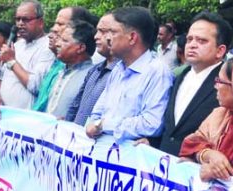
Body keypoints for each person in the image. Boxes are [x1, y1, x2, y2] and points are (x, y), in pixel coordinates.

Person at [85, 7, 173, 142]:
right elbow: (97, 113)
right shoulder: (118, 69)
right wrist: (95, 125)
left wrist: (103, 125)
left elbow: (152, 123)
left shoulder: (157, 72)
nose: (108, 38)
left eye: (113, 32)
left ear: (132, 37)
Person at [157, 11, 231, 156]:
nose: (192, 45)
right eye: (190, 39)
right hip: (163, 164)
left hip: (197, 168)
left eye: (201, 41)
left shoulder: (228, 84)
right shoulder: (180, 76)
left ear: (220, 50)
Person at [0, 1, 55, 117]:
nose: (20, 24)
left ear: (40, 22)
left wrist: (11, 61)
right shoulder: (17, 45)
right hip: (2, 114)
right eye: (18, 19)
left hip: (25, 120)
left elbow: (36, 86)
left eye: (26, 19)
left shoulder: (48, 47)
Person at [67, 14, 120, 126]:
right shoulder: (94, 70)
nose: (96, 36)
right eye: (97, 31)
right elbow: (75, 106)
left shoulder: (122, 73)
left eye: (102, 31)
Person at [44, 21, 94, 119]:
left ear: (80, 48)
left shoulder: (91, 76)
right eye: (59, 39)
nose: (57, 44)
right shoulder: (59, 71)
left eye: (64, 41)